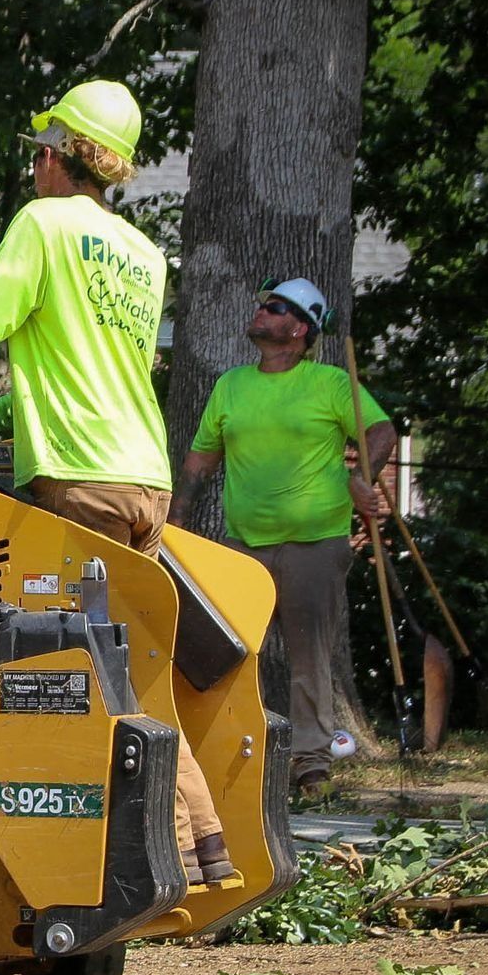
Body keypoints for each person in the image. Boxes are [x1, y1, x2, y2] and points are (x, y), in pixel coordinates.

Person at [0, 78, 234, 885]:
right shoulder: (140, 255)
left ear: (56, 155)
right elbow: (77, 381)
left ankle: (149, 854)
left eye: (39, 148)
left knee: (71, 680)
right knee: (127, 671)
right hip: (142, 478)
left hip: (80, 481)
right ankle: (209, 844)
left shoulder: (42, 224)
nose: (33, 164)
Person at [170, 278, 395, 802]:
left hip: (313, 545)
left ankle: (311, 766)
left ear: (298, 328)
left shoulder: (332, 384)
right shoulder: (231, 385)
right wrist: (177, 516)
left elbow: (381, 432)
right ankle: (226, 753)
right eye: (263, 304)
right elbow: (202, 457)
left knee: (308, 656)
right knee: (225, 649)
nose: (260, 312)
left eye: (272, 309)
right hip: (242, 544)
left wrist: (364, 477)